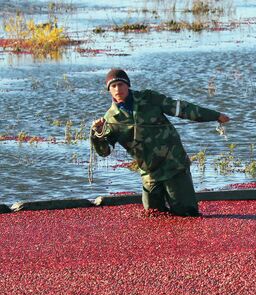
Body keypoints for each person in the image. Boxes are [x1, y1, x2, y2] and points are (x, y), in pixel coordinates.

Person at [91, 68, 230, 216]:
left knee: (187, 215)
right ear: (109, 90)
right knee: (153, 215)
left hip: (174, 165)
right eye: (113, 86)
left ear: (128, 85)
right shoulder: (110, 119)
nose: (118, 89)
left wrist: (215, 116)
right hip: (150, 173)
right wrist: (97, 134)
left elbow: (182, 109)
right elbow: (105, 151)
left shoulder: (149, 98)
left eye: (121, 84)